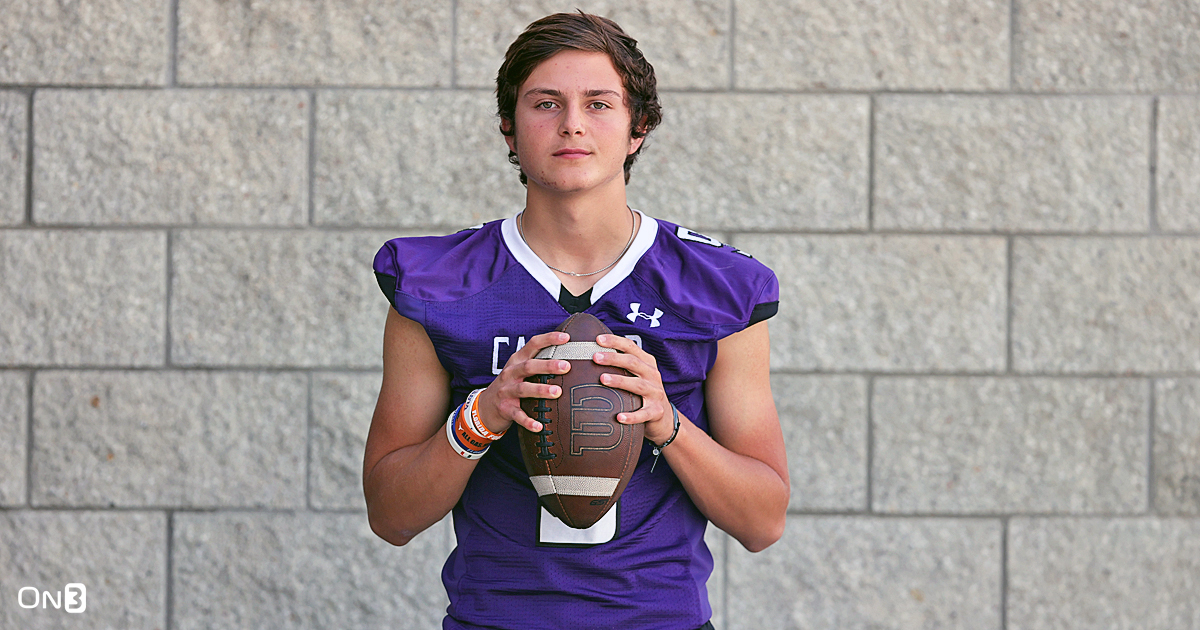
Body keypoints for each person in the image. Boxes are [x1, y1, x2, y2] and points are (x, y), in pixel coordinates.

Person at [364, 12, 788, 630]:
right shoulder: (441, 283)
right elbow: (390, 516)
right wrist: (480, 417)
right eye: (545, 103)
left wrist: (667, 423)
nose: (572, 124)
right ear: (509, 129)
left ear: (637, 128)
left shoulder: (714, 288)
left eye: (598, 103)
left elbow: (763, 521)